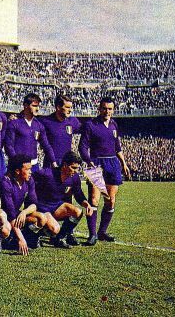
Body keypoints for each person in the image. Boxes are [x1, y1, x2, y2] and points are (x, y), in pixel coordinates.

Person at [78, 97, 131, 246]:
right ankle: (92, 235)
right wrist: (89, 162)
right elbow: (82, 147)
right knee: (94, 199)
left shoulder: (114, 125)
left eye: (110, 109)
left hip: (113, 163)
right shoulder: (91, 125)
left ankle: (102, 232)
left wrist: (124, 164)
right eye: (104, 108)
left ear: (113, 110)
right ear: (99, 109)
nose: (107, 111)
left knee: (110, 200)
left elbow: (118, 147)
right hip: (97, 163)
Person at [33, 151, 93, 248]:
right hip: (42, 208)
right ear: (65, 165)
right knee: (55, 229)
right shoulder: (47, 174)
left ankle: (59, 239)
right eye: (73, 168)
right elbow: (29, 180)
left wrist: (86, 204)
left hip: (56, 207)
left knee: (77, 212)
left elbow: (78, 193)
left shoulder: (74, 178)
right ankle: (35, 234)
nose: (76, 171)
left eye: (78, 168)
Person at [0, 154, 54, 255]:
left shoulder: (29, 180)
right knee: (6, 228)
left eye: (30, 169)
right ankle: (8, 240)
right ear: (17, 171)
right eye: (27, 169)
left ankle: (24, 240)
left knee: (42, 218)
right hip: (4, 216)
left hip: (17, 214)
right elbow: (10, 214)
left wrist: (24, 212)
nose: (30, 172)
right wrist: (21, 238)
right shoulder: (6, 183)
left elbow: (34, 204)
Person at [5, 93, 57, 172]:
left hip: (34, 167)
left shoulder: (39, 125)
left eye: (38, 106)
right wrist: (17, 163)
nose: (37, 109)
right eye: (34, 106)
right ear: (26, 105)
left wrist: (54, 162)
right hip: (18, 167)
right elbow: (9, 146)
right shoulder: (14, 123)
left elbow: (46, 146)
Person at [40, 94, 82, 167]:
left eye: (71, 107)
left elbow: (88, 130)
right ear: (58, 107)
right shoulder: (46, 122)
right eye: (67, 107)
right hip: (50, 163)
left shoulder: (73, 121)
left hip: (67, 162)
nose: (70, 110)